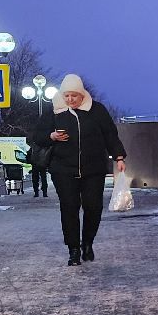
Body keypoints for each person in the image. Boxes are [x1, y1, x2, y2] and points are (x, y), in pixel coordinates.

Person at [32, 73, 126, 266]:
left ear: (82, 94)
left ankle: (88, 243)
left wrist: (119, 156)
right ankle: (73, 249)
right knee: (69, 208)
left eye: (74, 95)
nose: (70, 99)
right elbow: (37, 136)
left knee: (93, 207)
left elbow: (110, 134)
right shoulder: (54, 111)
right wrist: (51, 136)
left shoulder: (96, 110)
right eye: (66, 95)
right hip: (63, 169)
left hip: (94, 168)